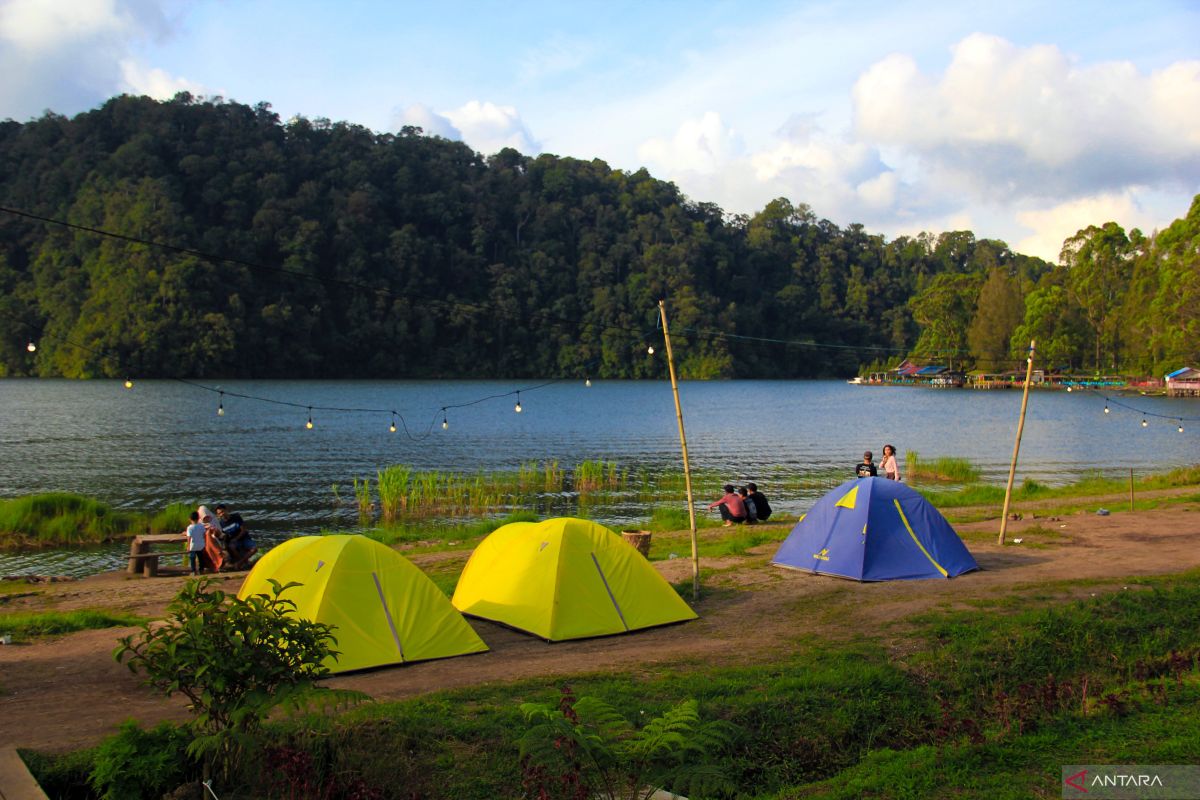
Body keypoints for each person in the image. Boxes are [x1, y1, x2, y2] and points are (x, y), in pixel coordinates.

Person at [182, 510, 206, 576]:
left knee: (192, 558)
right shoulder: (201, 526)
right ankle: (201, 570)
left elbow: (189, 537)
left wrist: (188, 546)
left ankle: (193, 571)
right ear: (198, 518)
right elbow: (204, 535)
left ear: (189, 519)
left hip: (193, 545)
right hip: (200, 544)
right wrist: (204, 542)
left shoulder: (190, 527)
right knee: (201, 557)